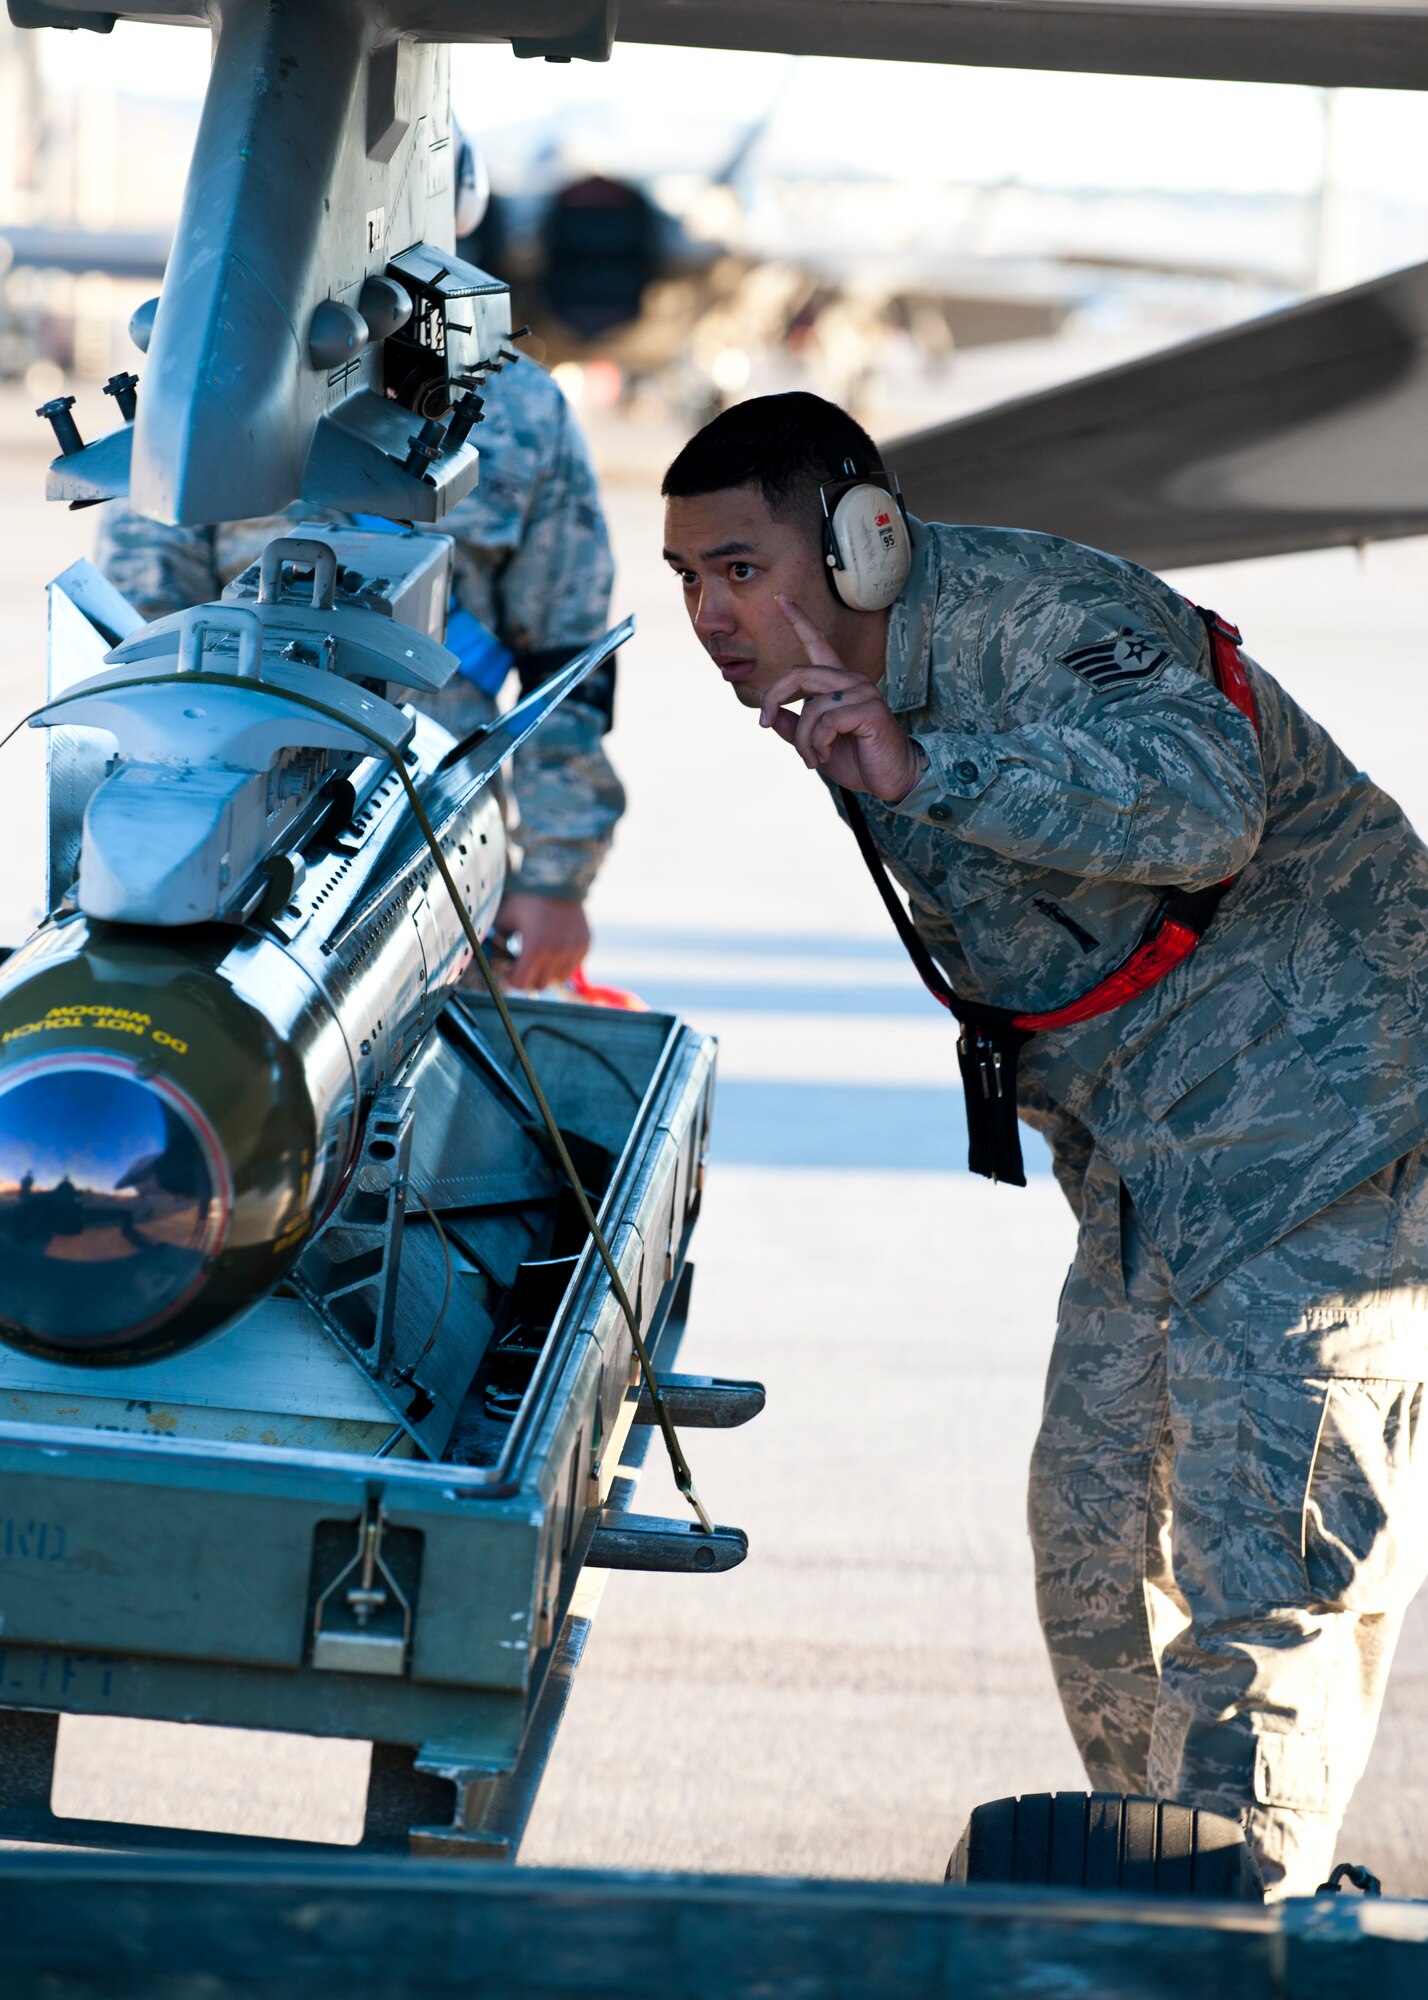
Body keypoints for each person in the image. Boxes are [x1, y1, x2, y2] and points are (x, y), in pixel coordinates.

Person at [660, 390, 1428, 1898]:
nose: (709, 613)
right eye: (686, 578)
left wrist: (927, 769)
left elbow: (1208, 807)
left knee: (1263, 1570)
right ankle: (1173, 1889)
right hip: (1158, 1176)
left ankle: (1236, 1927)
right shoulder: (844, 684)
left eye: (740, 568)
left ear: (864, 541)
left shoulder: (1036, 615)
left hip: (1342, 1124)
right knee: (1091, 1556)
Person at [94, 351, 624, 992]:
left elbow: (564, 661)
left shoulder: (518, 399)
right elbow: (139, 648)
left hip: (435, 849)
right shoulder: (204, 379)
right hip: (224, 856)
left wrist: (554, 877)